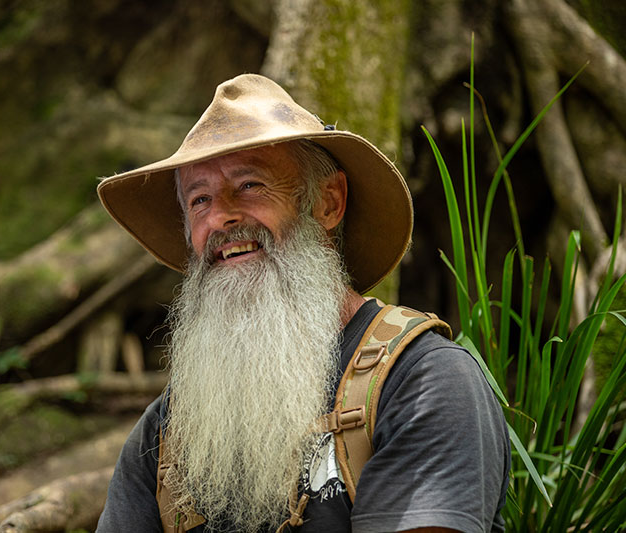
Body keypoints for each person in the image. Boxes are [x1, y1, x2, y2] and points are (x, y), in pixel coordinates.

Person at [95, 74, 510, 533]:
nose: (220, 217)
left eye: (250, 185)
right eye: (200, 199)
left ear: (328, 202)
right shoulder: (169, 432)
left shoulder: (423, 382)